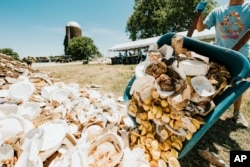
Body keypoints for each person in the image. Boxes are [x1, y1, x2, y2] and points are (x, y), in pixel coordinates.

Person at [196, 0, 250, 128]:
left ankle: (236, 114)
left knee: (236, 85)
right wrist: (199, 13)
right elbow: (200, 28)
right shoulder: (218, 11)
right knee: (215, 83)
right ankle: (207, 108)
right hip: (221, 56)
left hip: (240, 56)